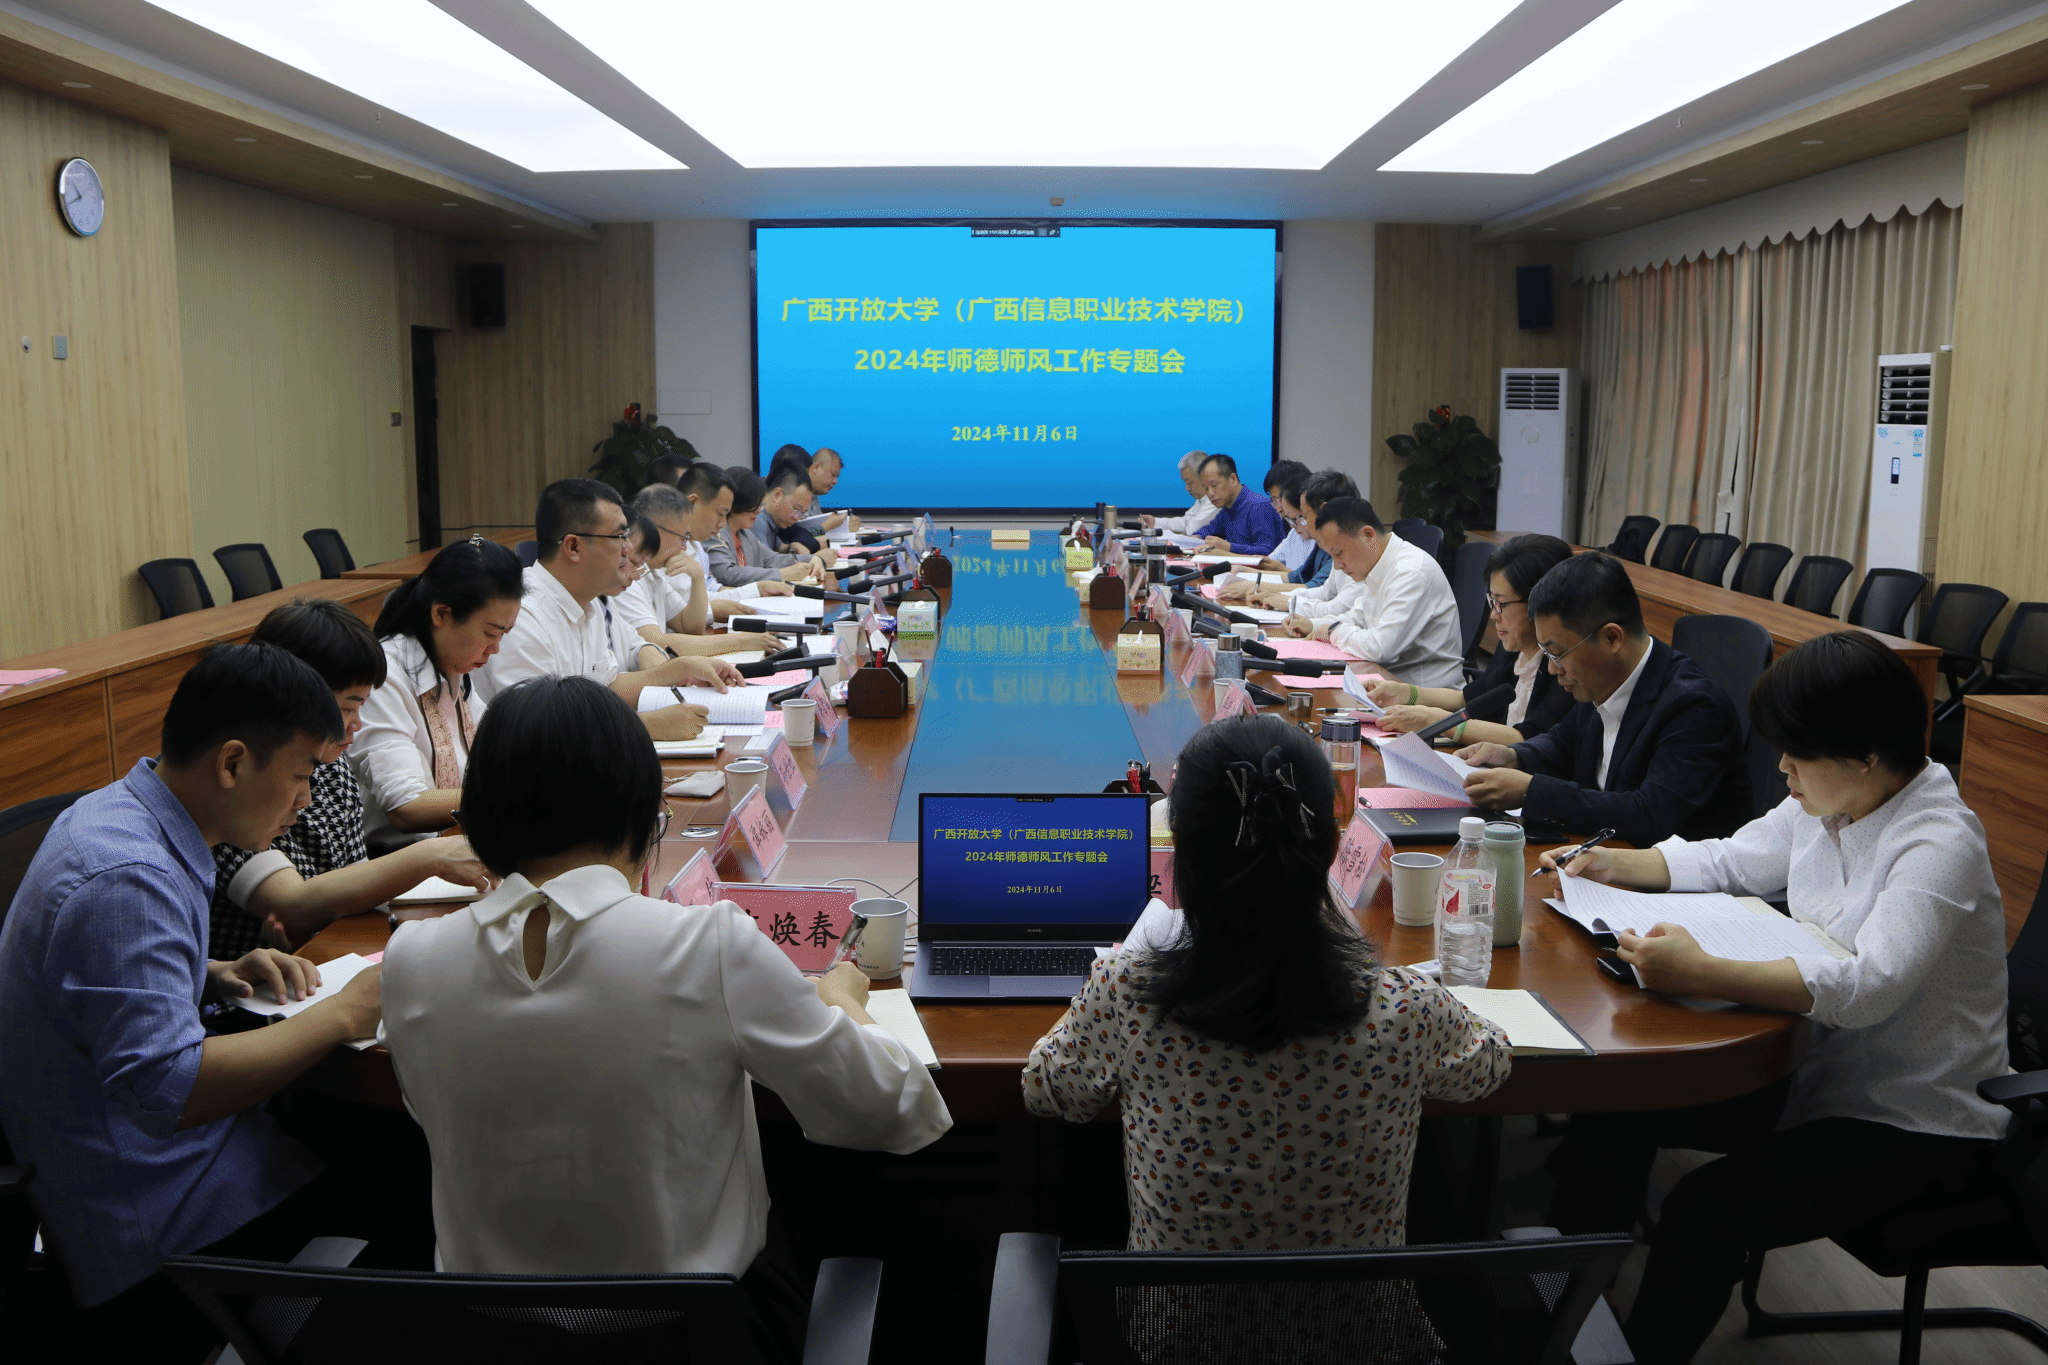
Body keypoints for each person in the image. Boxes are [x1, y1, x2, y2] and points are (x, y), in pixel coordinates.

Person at [381, 676, 952, 1361]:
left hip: (480, 1341)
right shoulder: (707, 945)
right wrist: (842, 999)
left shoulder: (411, 960)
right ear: (639, 813)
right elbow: (890, 1108)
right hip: (693, 1337)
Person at [1542, 631, 2010, 1365]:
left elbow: (1868, 987)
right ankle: (1560, 1309)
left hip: (1915, 1120)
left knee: (1705, 1210)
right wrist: (1616, 864)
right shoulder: (1831, 800)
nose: (1782, 767)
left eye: (1797, 752)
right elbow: (1734, 858)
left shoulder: (1938, 841)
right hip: (1813, 1073)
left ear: (1865, 753)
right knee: (1618, 1102)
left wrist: (1703, 971)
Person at [0, 644, 386, 1356]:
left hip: (175, 1163)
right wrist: (344, 1013)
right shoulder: (126, 875)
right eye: (301, 776)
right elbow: (168, 1092)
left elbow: (92, 973)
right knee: (398, 1185)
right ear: (233, 762)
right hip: (158, 1222)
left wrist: (208, 970)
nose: (305, 802)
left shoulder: (127, 812)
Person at [1025, 715, 1510, 1256]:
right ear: (1333, 848)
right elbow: (1488, 1064)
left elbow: (1047, 1089)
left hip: (1175, 1314)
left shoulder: (1125, 994)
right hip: (1363, 1314)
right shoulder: (1408, 1007)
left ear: (1180, 850)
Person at [211, 600, 490, 954]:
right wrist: (431, 856)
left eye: (361, 707)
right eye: (347, 707)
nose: (357, 723)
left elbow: (357, 887)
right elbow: (290, 903)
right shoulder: (241, 778)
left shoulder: (335, 766)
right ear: (294, 694)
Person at [1454, 551, 1749, 844]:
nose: (1553, 669)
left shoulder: (1694, 707)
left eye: (1558, 653)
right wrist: (1513, 756)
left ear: (1612, 638)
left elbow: (1650, 815)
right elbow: (1560, 744)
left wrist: (1531, 792)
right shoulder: (1599, 678)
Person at [474, 478, 738, 740]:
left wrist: (682, 669)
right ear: (574, 547)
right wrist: (645, 726)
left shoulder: (589, 603)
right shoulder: (522, 615)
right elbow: (537, 730)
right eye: (620, 536)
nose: (629, 548)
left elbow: (608, 685)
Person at [354, 535, 524, 846]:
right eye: (490, 632)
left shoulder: (454, 667)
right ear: (441, 614)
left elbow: (498, 749)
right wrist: (511, 799)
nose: (495, 648)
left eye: (504, 634)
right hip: (398, 859)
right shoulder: (384, 677)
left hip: (452, 843)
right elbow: (407, 807)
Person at [1367, 534, 1576, 745]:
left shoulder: (1564, 666)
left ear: (1540, 601)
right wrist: (1403, 692)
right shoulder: (1517, 651)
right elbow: (1465, 698)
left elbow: (1528, 738)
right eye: (1492, 601)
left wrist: (1433, 720)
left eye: (1502, 604)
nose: (1494, 615)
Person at [1286, 496, 1464, 688]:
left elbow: (1380, 647)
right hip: (1389, 683)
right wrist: (1314, 625)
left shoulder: (1410, 572)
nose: (1337, 566)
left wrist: (1332, 631)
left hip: (1425, 696)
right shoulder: (1379, 566)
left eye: (1339, 553)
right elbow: (1357, 617)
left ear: (1368, 535)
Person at [621, 483, 782, 655]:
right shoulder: (628, 576)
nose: (684, 547)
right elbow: (657, 642)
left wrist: (697, 577)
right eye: (683, 537)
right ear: (655, 530)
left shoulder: (654, 572)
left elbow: (689, 626)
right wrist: (741, 642)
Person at [1230, 468, 1360, 618]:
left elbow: (1336, 607)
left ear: (1324, 512)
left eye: (1302, 517)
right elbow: (1322, 591)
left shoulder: (1351, 550)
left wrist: (1285, 601)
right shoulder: (1328, 544)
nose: (1297, 524)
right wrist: (1278, 597)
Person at [707, 467, 826, 589]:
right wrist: (782, 574)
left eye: (760, 504)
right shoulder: (713, 532)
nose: (759, 510)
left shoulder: (744, 533)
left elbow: (773, 559)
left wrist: (812, 559)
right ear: (738, 501)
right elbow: (728, 573)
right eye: (754, 504)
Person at [1190, 453, 1286, 557]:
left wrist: (1229, 547)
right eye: (1206, 488)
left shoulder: (1259, 506)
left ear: (1233, 479)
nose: (1210, 493)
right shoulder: (1227, 509)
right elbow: (1207, 531)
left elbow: (1267, 551)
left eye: (1214, 485)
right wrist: (1196, 538)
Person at [1256, 460, 1316, 576]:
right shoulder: (1294, 534)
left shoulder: (1320, 539)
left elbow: (1315, 583)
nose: (1278, 509)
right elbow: (1269, 563)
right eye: (1274, 502)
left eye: (1279, 500)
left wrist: (1282, 569)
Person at [1138, 450, 1213, 534]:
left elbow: (1191, 530)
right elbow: (1185, 522)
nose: (1187, 488)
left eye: (1189, 482)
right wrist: (1155, 522)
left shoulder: (1216, 500)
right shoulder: (1202, 499)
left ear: (1203, 477)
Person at [808, 446, 859, 534]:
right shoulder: (796, 492)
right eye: (833, 475)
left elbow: (813, 530)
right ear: (816, 468)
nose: (835, 481)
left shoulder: (813, 494)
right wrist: (828, 525)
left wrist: (845, 525)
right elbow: (796, 537)